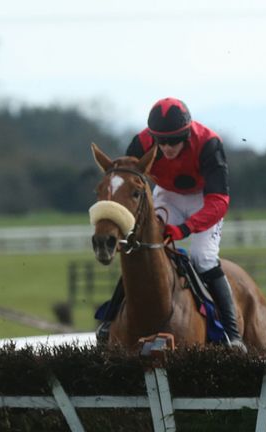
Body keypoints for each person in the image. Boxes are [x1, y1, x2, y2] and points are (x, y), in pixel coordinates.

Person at [96, 97, 244, 351]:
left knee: (202, 257)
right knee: (139, 247)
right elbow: (126, 177)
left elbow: (219, 201)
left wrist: (184, 228)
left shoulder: (208, 143)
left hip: (205, 199)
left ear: (186, 134)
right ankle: (110, 319)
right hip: (167, 195)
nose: (166, 147)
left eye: (173, 141)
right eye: (161, 141)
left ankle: (232, 334)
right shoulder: (142, 142)